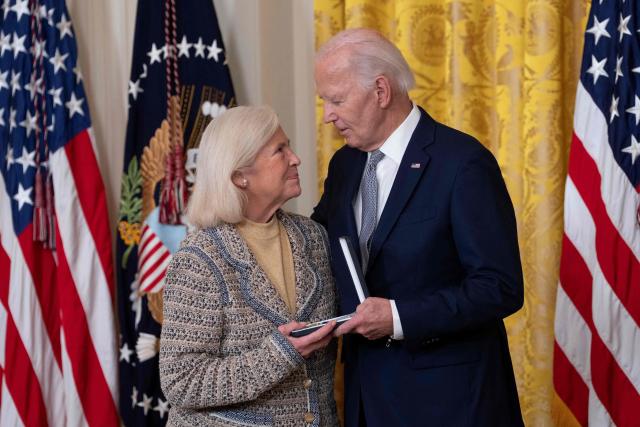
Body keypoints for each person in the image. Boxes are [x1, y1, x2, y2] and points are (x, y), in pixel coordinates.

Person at [311, 28, 524, 427]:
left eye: (336, 100)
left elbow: (500, 287)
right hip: (366, 396)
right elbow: (322, 248)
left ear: (380, 91)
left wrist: (397, 317)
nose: (327, 115)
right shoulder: (345, 165)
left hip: (450, 403)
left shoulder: (462, 163)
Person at [160, 105, 339, 426]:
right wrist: (280, 353)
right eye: (279, 151)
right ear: (239, 175)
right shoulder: (201, 256)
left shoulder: (313, 237)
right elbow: (181, 380)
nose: (296, 158)